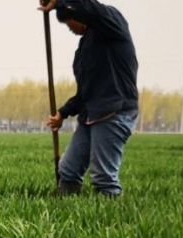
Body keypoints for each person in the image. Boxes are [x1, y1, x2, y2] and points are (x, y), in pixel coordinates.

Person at [39, 0, 139, 197]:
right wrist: (63, 113)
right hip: (91, 114)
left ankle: (111, 221)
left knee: (103, 177)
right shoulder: (86, 46)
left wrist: (60, 1)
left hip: (114, 112)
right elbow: (86, 92)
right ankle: (64, 209)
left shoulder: (112, 25)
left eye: (69, 22)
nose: (69, 28)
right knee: (68, 170)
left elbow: (89, 8)